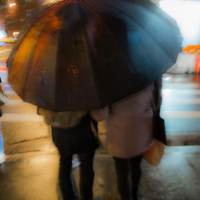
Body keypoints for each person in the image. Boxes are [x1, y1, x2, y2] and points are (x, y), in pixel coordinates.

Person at [91, 77, 162, 200]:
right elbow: (156, 104)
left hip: (119, 138)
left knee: (122, 172)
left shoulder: (110, 83)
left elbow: (101, 115)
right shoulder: (146, 77)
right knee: (136, 164)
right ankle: (134, 193)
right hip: (142, 134)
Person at [38, 109, 100, 200]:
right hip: (84, 132)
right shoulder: (85, 95)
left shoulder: (52, 96)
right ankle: (87, 197)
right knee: (86, 166)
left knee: (64, 164)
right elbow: (99, 115)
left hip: (61, 135)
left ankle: (68, 197)